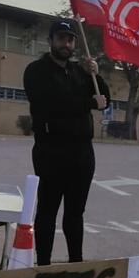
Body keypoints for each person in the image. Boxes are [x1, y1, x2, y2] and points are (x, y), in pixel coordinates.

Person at [23, 18, 110, 265]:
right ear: (50, 40)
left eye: (70, 39)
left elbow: (104, 99)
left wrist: (96, 75)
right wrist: (89, 103)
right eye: (61, 38)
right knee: (48, 211)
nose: (66, 43)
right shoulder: (36, 71)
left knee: (75, 213)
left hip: (81, 153)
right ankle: (44, 265)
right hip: (51, 151)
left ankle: (75, 264)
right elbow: (51, 103)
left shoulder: (79, 71)